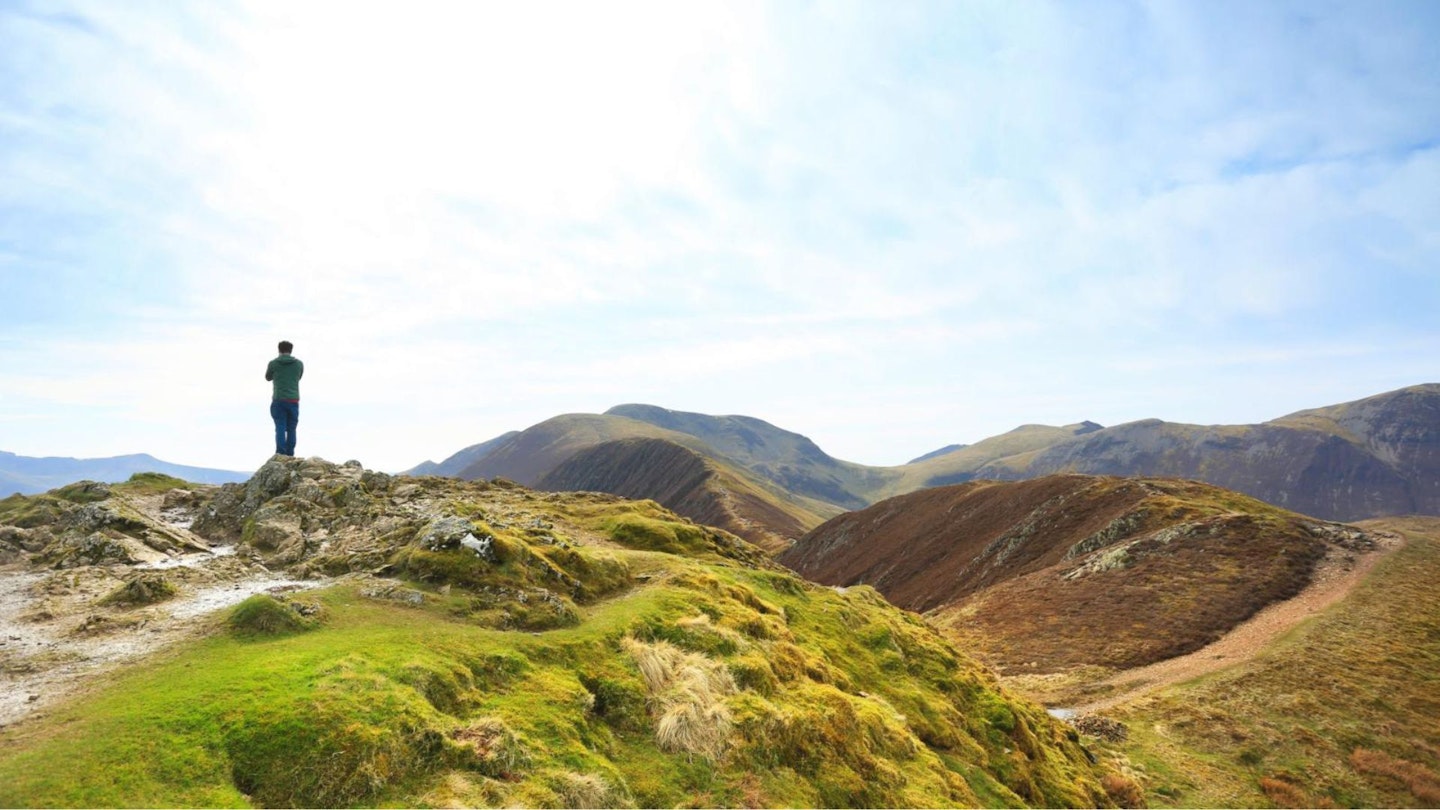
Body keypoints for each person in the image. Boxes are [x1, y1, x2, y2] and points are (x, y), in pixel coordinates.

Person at [265, 340, 304, 456]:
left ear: (279, 350)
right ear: (291, 351)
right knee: (292, 428)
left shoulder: (273, 364)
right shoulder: (299, 364)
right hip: (294, 400)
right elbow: (299, 377)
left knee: (280, 426)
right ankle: (290, 454)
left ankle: (280, 453)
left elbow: (268, 377)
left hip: (279, 400)